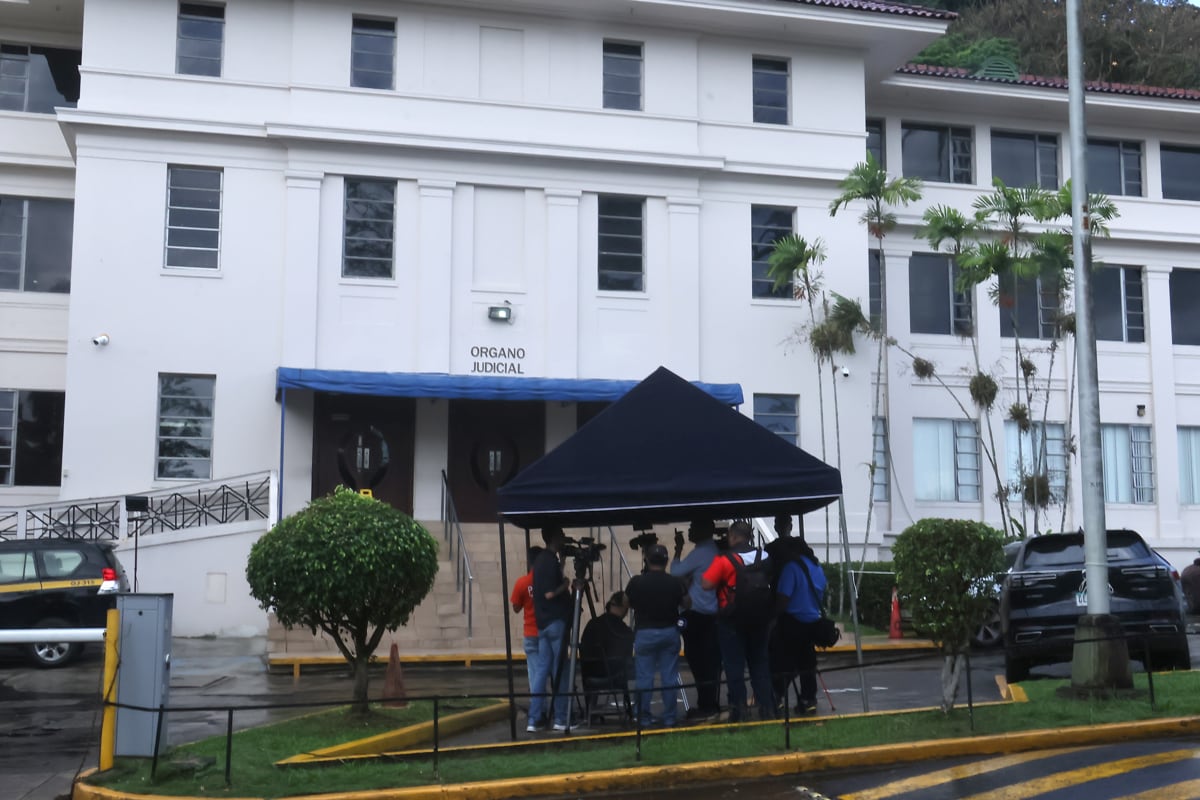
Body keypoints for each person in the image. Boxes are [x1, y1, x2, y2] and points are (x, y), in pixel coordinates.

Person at [701, 520, 775, 721]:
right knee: (759, 665)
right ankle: (767, 709)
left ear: (732, 536)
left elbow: (706, 584)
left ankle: (739, 710)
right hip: (759, 620)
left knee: (734, 667)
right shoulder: (765, 556)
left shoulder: (725, 560)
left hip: (731, 621)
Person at [625, 544, 689, 726]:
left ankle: (643, 717)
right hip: (669, 631)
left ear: (646, 559)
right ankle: (669, 717)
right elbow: (687, 603)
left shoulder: (637, 582)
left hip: (645, 632)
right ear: (666, 560)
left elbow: (627, 602)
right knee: (669, 676)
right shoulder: (674, 582)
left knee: (645, 677)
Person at [671, 519, 723, 718]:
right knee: (708, 662)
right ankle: (708, 703)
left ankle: (706, 705)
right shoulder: (714, 550)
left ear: (704, 530)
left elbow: (675, 572)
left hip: (697, 613)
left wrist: (677, 550)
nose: (690, 530)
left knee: (698, 662)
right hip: (710, 614)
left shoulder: (702, 551)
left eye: (694, 527)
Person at [774, 538, 827, 715]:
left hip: (792, 621)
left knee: (784, 663)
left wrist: (773, 615)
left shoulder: (791, 568)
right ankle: (808, 699)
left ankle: (777, 697)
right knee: (807, 664)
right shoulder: (817, 567)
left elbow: (783, 598)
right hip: (812, 621)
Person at [530, 526, 573, 732]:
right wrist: (565, 585)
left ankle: (534, 718)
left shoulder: (541, 561)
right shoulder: (548, 561)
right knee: (560, 670)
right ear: (554, 537)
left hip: (542, 623)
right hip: (555, 622)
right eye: (561, 534)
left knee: (541, 671)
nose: (564, 537)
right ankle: (561, 717)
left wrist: (561, 566)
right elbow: (549, 593)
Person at [579, 591, 634, 720]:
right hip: (615, 675)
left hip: (590, 675)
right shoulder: (624, 630)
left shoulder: (593, 624)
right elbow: (627, 656)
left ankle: (590, 708)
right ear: (622, 608)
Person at [510, 546, 543, 728]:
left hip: (531, 633)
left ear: (528, 562)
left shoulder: (522, 583)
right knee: (547, 673)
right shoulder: (547, 582)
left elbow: (515, 607)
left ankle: (537, 712)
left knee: (535, 674)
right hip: (546, 633)